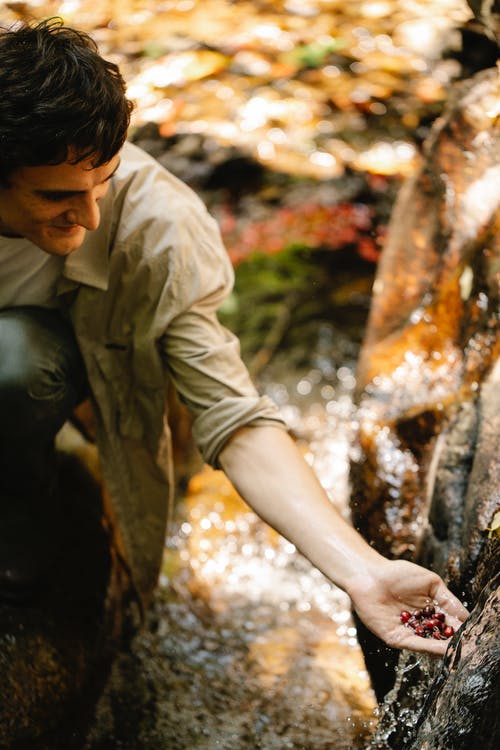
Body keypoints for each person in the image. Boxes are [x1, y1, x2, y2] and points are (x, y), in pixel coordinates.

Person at [0, 18, 468, 656]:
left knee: (14, 365)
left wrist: (362, 571)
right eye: (59, 197)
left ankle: (24, 520)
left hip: (50, 355)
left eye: (104, 181)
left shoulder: (155, 228)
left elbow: (236, 417)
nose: (89, 218)